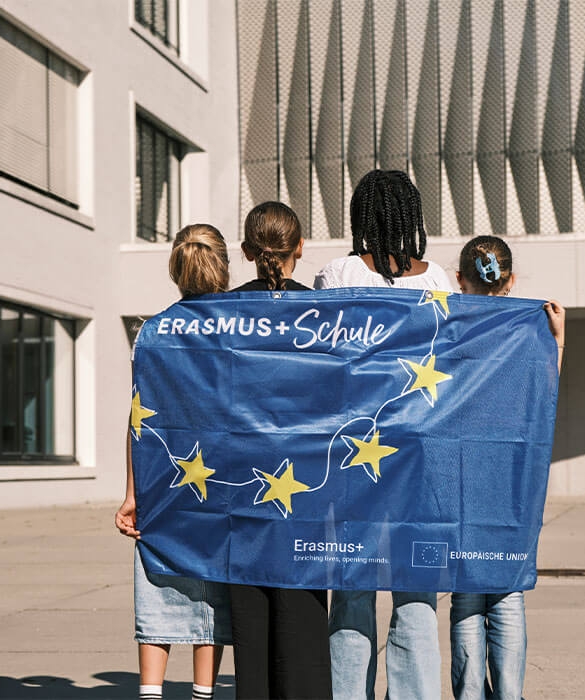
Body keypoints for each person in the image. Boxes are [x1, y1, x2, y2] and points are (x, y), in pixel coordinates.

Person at [314, 169, 455, 700]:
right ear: (411, 217)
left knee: (352, 587)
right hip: (420, 453)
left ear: (360, 216)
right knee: (416, 591)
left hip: (354, 452)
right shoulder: (436, 278)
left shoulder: (338, 273)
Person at [115, 224, 232, 700]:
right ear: (223, 266)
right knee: (213, 587)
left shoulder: (151, 332)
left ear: (175, 269)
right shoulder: (238, 327)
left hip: (163, 478)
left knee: (157, 580)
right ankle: (204, 691)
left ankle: (151, 690)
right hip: (226, 477)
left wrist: (131, 493)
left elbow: (138, 415)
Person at [450, 234, 565, 700]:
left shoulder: (450, 329)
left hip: (456, 477)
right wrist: (558, 339)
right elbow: (548, 395)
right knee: (508, 590)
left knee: (466, 594)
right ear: (512, 279)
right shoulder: (531, 331)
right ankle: (511, 694)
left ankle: (470, 694)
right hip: (512, 478)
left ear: (460, 280)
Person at [228, 200, 333, 699]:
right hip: (308, 486)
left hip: (241, 484)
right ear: (300, 247)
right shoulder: (326, 319)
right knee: (304, 618)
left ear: (247, 251)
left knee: (250, 623)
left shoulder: (219, 317)